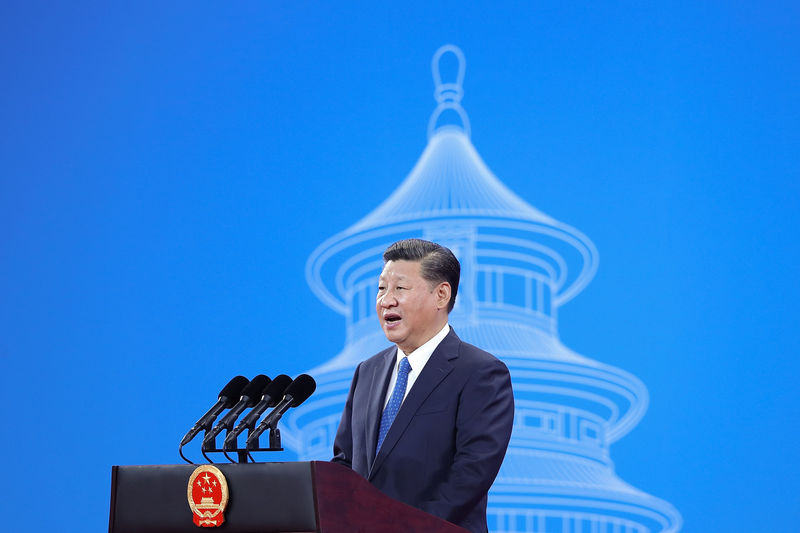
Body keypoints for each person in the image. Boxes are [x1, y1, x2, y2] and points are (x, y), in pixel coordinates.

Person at [332, 238, 514, 533]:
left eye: (400, 289)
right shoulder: (367, 371)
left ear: (441, 295)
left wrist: (402, 527)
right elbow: (344, 462)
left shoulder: (481, 372)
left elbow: (471, 475)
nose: (386, 300)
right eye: (381, 288)